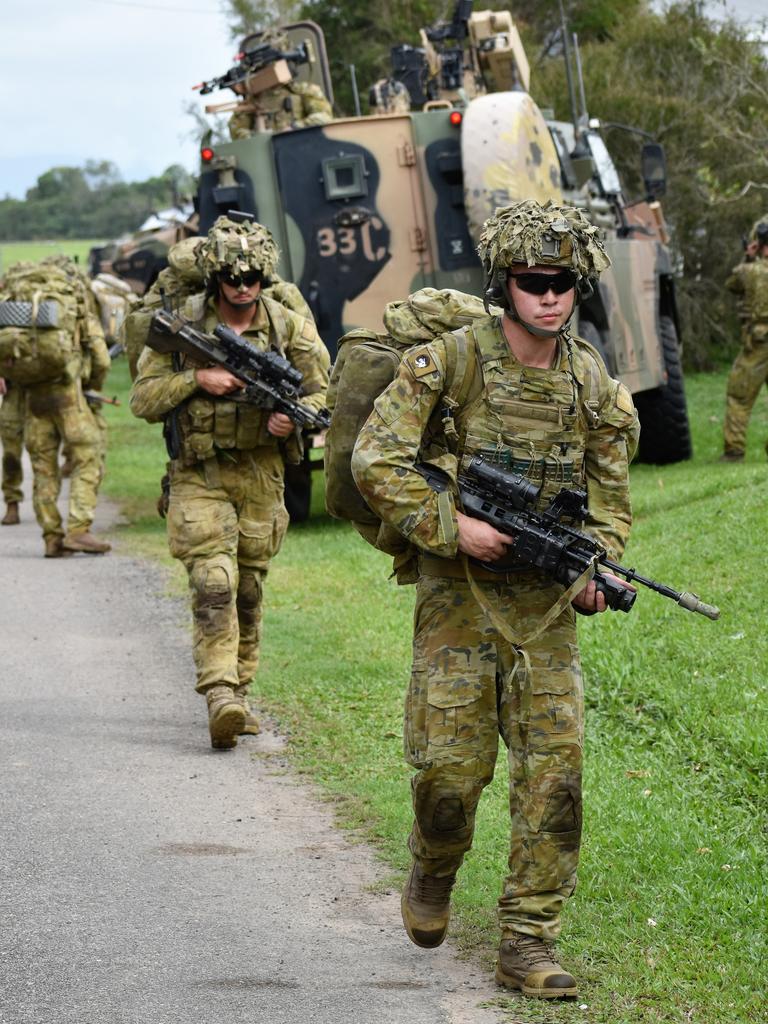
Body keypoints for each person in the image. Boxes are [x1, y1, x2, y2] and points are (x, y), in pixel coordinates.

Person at [351, 199, 639, 999]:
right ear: (504, 282)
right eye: (532, 281)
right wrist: (452, 527)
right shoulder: (450, 363)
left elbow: (609, 503)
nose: (549, 296)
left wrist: (594, 569)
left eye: (563, 282)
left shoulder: (592, 384)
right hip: (458, 600)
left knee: (556, 776)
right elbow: (376, 460)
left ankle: (529, 941)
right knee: (451, 776)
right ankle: (433, 867)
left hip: (543, 611)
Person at [130, 216, 329, 750]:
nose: (243, 287)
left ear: (265, 276)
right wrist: (198, 378)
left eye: (253, 277)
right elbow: (141, 399)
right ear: (216, 277)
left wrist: (296, 419)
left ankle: (240, 690)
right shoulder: (183, 324)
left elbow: (322, 394)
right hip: (200, 472)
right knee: (213, 581)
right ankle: (220, 693)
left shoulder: (288, 326)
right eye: (233, 276)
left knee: (247, 589)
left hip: (262, 475)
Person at [18, 257, 111, 557]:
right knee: (89, 456)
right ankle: (79, 530)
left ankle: (51, 536)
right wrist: (93, 384)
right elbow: (102, 357)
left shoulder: (21, 310)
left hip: (34, 400)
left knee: (43, 467)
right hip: (69, 396)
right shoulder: (75, 305)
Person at [720, 217, 768, 462]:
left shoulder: (749, 271)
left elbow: (732, 284)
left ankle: (734, 451)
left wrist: (749, 256)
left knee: (739, 397)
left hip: (758, 344)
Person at [228, 32, 332, 139]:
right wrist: (257, 137)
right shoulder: (253, 100)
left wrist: (294, 128)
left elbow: (324, 117)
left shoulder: (303, 90)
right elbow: (236, 131)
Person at [0, 378, 25, 525]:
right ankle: (12, 502)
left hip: (43, 390)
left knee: (44, 455)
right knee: (11, 455)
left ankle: (47, 508)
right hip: (13, 389)